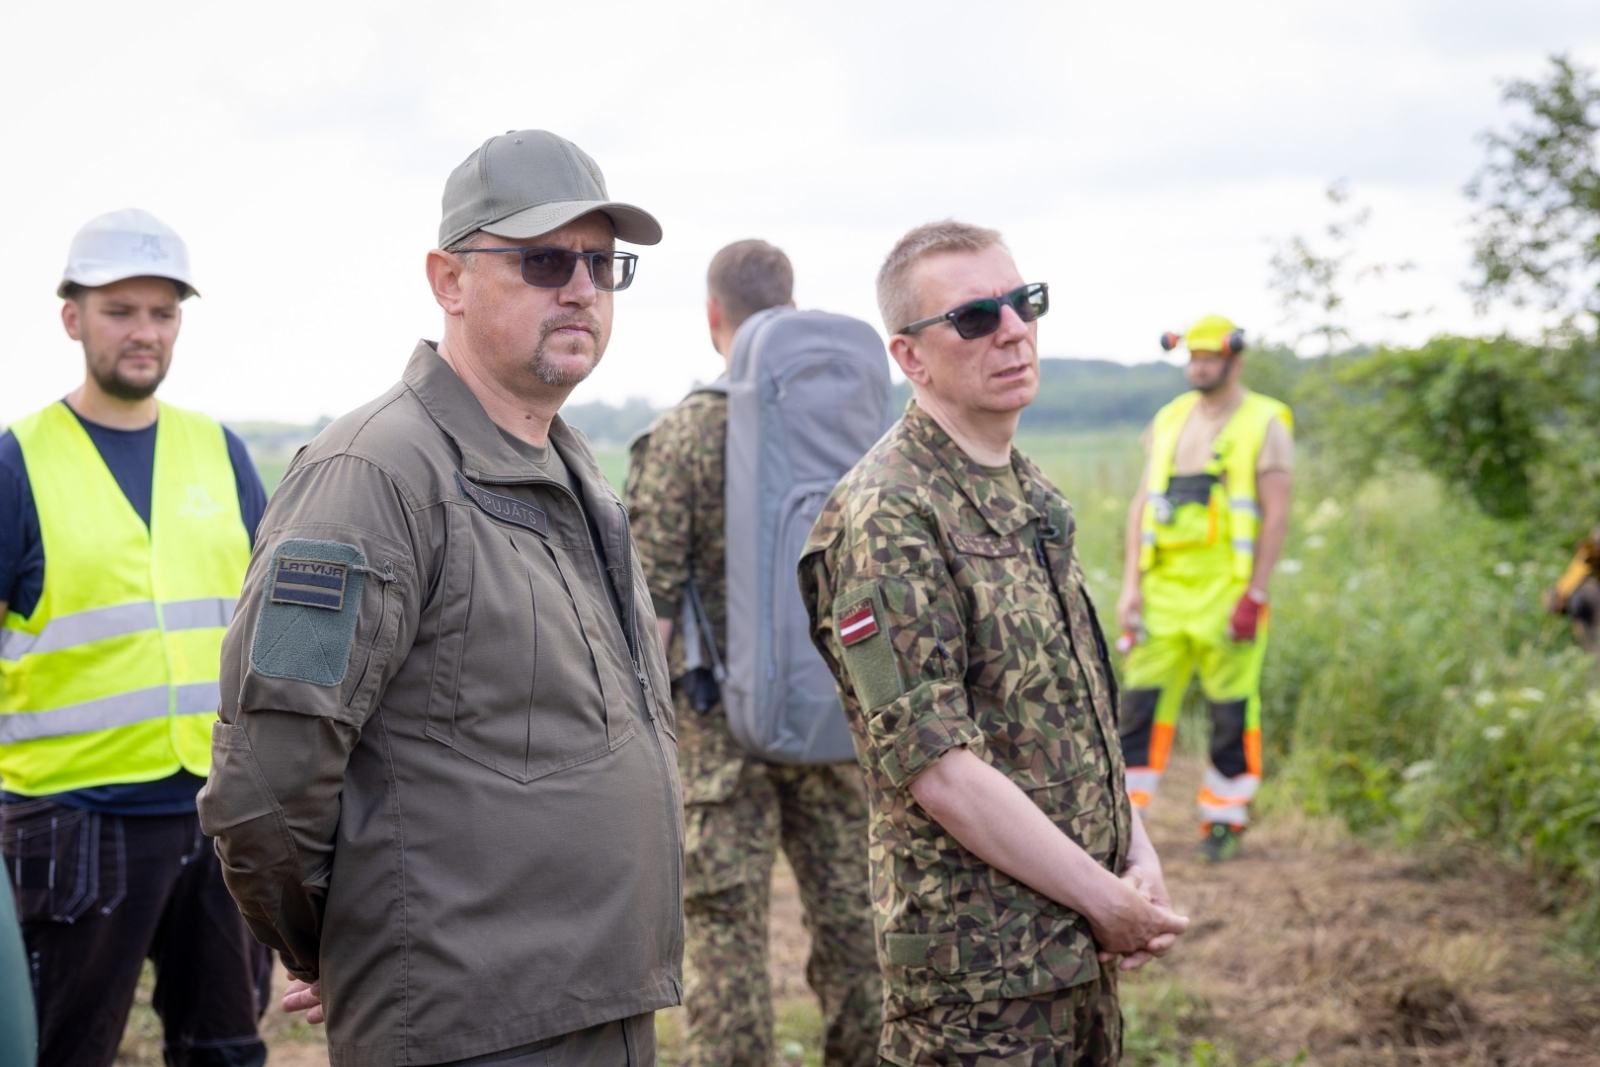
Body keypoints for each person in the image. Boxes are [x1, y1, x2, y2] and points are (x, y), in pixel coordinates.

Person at [198, 129, 683, 1067]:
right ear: (448, 280)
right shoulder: (372, 476)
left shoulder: (576, 470)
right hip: (470, 1027)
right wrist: (341, 944)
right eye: (544, 259)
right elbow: (266, 780)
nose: (581, 286)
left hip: (600, 1003)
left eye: (602, 263)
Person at [799, 221, 1188, 1067]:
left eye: (1024, 302)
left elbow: (1076, 708)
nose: (1013, 329)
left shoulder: (1033, 494)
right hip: (978, 988)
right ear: (911, 358)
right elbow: (941, 769)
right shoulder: (889, 516)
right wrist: (1106, 902)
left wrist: (1136, 854)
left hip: (1074, 956)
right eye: (976, 317)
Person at [0, 209, 272, 1067]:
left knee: (225, 1050)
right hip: (72, 826)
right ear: (72, 317)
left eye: (162, 312)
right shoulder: (18, 465)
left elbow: (267, 627)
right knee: (59, 1053)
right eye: (121, 309)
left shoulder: (219, 453)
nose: (144, 331)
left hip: (217, 821)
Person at [625, 240, 881, 1067]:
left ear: (713, 317)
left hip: (713, 729)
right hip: (830, 709)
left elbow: (650, 610)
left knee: (724, 938)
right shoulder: (853, 423)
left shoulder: (684, 436)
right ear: (790, 304)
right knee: (856, 922)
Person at [1114, 315, 1293, 863]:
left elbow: (1277, 512)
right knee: (1139, 705)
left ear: (1234, 360)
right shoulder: (1169, 419)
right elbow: (1143, 503)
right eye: (1192, 357)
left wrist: (1255, 594)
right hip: (1164, 591)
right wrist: (1130, 588)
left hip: (1228, 591)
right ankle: (1123, 820)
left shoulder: (1266, 422)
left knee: (1230, 711)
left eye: (1209, 358)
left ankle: (1224, 819)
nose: (1199, 366)